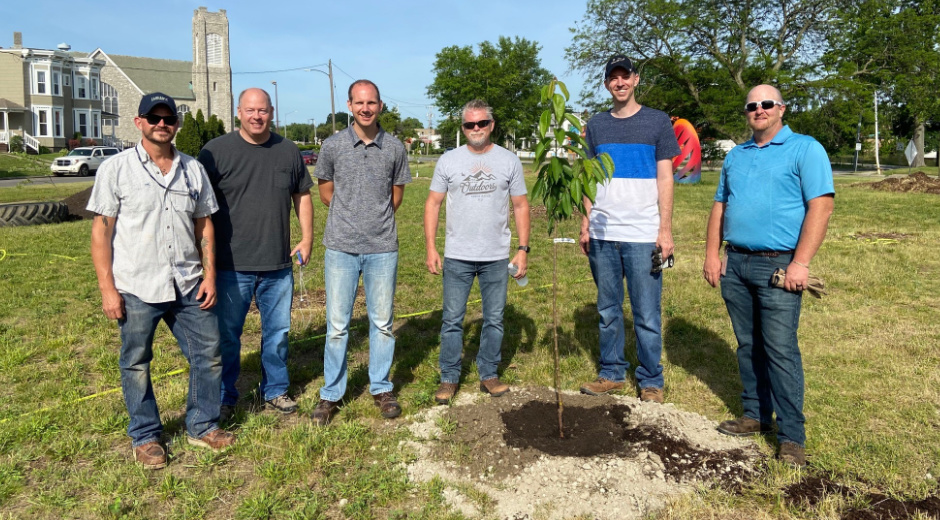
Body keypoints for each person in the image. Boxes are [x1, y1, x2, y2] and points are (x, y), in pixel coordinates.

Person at [88, 92, 235, 469]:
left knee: (208, 356)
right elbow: (101, 232)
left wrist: (210, 275)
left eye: (168, 118)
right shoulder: (116, 169)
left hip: (188, 282)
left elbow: (205, 224)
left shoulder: (192, 170)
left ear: (176, 125)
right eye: (153, 118)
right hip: (137, 285)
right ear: (139, 122)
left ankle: (202, 424)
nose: (161, 124)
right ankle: (145, 436)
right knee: (136, 362)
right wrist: (107, 289)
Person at [703, 84, 834, 467]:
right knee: (748, 345)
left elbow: (820, 207)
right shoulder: (737, 156)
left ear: (781, 109)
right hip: (736, 263)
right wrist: (712, 254)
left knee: (779, 349)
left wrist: (801, 263)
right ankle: (755, 415)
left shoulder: (805, 149)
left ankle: (792, 436)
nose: (758, 110)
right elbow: (719, 206)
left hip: (779, 265)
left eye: (766, 104)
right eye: (752, 105)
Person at [197, 88, 314, 421]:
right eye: (250, 110)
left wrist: (307, 238)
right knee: (228, 338)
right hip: (230, 266)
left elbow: (302, 196)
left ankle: (275, 390)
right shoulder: (215, 152)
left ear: (271, 112)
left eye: (262, 110)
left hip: (277, 264)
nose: (256, 116)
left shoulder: (288, 150)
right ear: (238, 112)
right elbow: (199, 210)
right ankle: (225, 396)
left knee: (277, 334)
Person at [578, 55, 680, 404]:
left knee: (646, 312)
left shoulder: (657, 122)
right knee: (608, 309)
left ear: (636, 80)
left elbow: (666, 177)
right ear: (607, 84)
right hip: (603, 234)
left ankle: (651, 380)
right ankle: (611, 373)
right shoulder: (596, 125)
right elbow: (588, 179)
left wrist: (664, 230)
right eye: (613, 78)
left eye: (625, 77)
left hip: (642, 235)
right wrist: (585, 221)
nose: (619, 83)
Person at [311, 79, 412, 425]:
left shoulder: (395, 148)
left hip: (382, 248)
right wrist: (350, 217)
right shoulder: (333, 146)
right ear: (350, 105)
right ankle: (331, 394)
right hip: (340, 247)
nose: (366, 108)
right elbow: (326, 192)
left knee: (382, 324)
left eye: (372, 103)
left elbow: (396, 196)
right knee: (337, 326)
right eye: (359, 103)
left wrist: (374, 220)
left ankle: (381, 387)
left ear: (380, 106)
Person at [423, 99, 531, 404]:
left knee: (494, 318)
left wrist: (522, 249)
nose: (476, 129)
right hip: (457, 255)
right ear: (463, 127)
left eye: (482, 123)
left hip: (496, 256)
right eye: (470, 124)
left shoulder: (509, 161)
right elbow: (432, 203)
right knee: (452, 319)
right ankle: (449, 377)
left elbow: (521, 205)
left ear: (491, 125)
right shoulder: (448, 161)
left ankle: (488, 373)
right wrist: (431, 247)